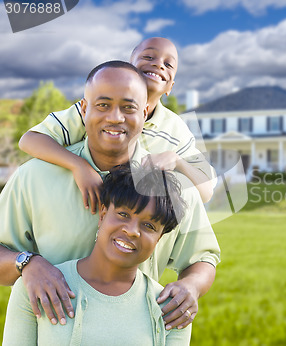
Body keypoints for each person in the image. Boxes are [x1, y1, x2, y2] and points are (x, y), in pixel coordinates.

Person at [0, 61, 220, 332]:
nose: (116, 117)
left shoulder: (171, 188)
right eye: (103, 105)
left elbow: (203, 257)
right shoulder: (33, 177)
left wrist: (191, 287)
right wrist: (26, 263)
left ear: (145, 111)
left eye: (128, 107)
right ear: (84, 108)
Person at [3, 164, 191, 345]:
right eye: (123, 214)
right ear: (102, 215)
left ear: (158, 239)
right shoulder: (37, 287)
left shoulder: (172, 309)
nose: (132, 231)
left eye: (149, 226)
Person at [18, 37, 215, 209]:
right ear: (129, 67)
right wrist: (79, 166)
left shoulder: (175, 128)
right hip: (80, 205)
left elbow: (206, 192)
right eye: (148, 57)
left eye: (168, 64)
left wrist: (177, 161)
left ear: (170, 87)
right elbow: (30, 140)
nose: (158, 65)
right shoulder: (95, 110)